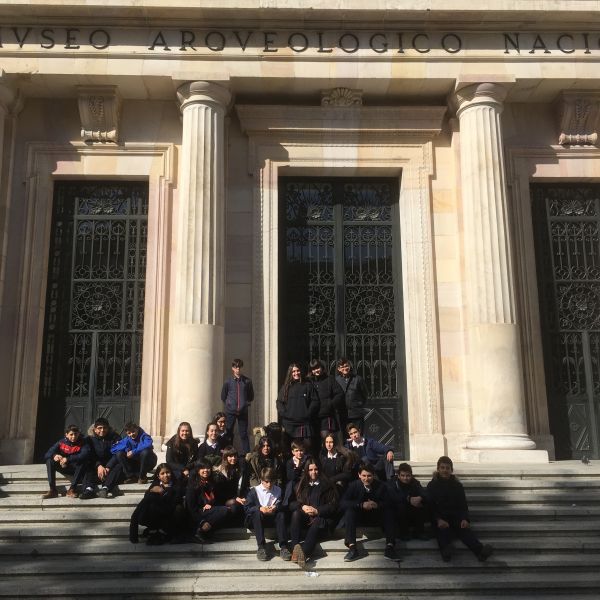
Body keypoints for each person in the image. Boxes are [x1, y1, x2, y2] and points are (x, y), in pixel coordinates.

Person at [426, 456, 493, 562]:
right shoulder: (431, 485)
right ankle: (446, 552)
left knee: (465, 531)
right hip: (440, 518)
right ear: (438, 469)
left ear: (451, 470)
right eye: (442, 468)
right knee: (443, 531)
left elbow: (463, 505)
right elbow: (430, 506)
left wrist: (465, 519)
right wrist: (438, 519)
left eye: (447, 468)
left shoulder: (457, 486)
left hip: (455, 518)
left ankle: (480, 552)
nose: (445, 470)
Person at [340, 463, 397, 562]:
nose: (366, 479)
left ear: (373, 475)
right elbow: (343, 503)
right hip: (359, 517)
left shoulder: (381, 486)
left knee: (389, 512)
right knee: (349, 512)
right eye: (364, 476)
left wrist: (377, 505)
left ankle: (390, 547)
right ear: (359, 475)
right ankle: (352, 548)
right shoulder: (353, 485)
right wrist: (361, 504)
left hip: (376, 516)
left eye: (369, 476)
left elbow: (390, 502)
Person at [288, 459, 338, 570]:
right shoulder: (300, 485)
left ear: (319, 470)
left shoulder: (327, 485)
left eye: (316, 469)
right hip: (306, 520)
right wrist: (302, 506)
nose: (313, 472)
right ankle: (295, 548)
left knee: (317, 522)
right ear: (306, 471)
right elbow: (291, 504)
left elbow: (333, 506)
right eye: (310, 470)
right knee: (296, 513)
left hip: (321, 520)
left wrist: (317, 511)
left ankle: (304, 553)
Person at [129, 463, 185, 545]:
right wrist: (151, 491)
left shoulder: (177, 484)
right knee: (148, 501)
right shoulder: (155, 484)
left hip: (170, 516)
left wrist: (163, 492)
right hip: (154, 515)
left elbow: (174, 502)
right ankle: (147, 532)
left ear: (171, 473)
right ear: (158, 476)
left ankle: (164, 532)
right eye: (162, 473)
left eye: (167, 472)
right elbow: (146, 499)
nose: (165, 475)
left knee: (178, 508)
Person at [244, 467, 290, 561]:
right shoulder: (254, 491)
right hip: (256, 519)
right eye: (266, 482)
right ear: (261, 480)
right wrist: (260, 508)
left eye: (272, 481)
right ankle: (261, 547)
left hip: (272, 518)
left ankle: (284, 547)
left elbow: (284, 505)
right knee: (256, 512)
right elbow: (247, 508)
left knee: (281, 514)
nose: (269, 484)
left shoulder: (278, 490)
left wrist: (276, 507)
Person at [385, 462, 429, 559]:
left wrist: (420, 497)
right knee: (399, 506)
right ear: (398, 475)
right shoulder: (392, 483)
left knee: (422, 504)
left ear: (411, 475)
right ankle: (403, 532)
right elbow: (393, 496)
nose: (405, 478)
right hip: (397, 512)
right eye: (403, 475)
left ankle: (419, 531)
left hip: (411, 510)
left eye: (408, 476)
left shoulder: (415, 482)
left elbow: (424, 493)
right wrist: (409, 499)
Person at [277, 362, 319, 453]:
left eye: (298, 370)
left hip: (304, 423)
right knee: (289, 450)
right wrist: (285, 413)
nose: (296, 373)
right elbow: (279, 402)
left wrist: (308, 413)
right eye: (293, 371)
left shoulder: (308, 385)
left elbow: (315, 401)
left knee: (307, 447)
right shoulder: (285, 387)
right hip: (289, 424)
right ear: (290, 373)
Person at [186, 460, 230, 542]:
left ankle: (205, 532)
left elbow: (219, 498)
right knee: (224, 510)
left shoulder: (212, 483)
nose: (206, 470)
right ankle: (200, 531)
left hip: (210, 511)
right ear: (198, 470)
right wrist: (202, 522)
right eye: (202, 468)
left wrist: (211, 505)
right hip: (198, 513)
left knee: (231, 510)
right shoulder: (193, 485)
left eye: (208, 468)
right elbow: (191, 508)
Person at [42, 424, 89, 499]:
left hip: (76, 468)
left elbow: (84, 455)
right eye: (71, 434)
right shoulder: (61, 442)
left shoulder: (83, 442)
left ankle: (72, 489)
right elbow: (47, 454)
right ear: (66, 435)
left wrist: (68, 459)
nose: (74, 436)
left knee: (83, 462)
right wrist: (54, 455)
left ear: (78, 434)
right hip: (63, 466)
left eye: (76, 434)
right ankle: (53, 490)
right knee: (49, 461)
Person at [80, 418, 121, 500]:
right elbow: (90, 454)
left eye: (105, 428)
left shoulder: (115, 437)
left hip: (110, 465)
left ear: (108, 428)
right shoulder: (89, 439)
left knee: (119, 465)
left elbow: (117, 453)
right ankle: (88, 489)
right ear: (95, 429)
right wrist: (98, 465)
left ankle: (105, 489)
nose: (102, 430)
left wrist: (108, 466)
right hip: (95, 465)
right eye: (99, 428)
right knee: (87, 465)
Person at [221, 358, 254, 454]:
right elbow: (223, 396)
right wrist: (229, 404)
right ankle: (228, 453)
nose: (238, 369)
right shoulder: (228, 381)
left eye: (239, 367)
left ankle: (247, 454)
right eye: (236, 367)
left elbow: (251, 396)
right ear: (233, 368)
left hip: (243, 412)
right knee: (229, 433)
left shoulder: (247, 381)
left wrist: (245, 403)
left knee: (243, 433)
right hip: (230, 412)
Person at [306, 359, 344, 442]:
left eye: (318, 368)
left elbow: (339, 394)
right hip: (313, 416)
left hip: (327, 416)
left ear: (322, 367)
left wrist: (330, 404)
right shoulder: (309, 381)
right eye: (313, 369)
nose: (316, 370)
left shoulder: (330, 379)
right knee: (314, 441)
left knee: (326, 438)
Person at [214, 446, 247, 524]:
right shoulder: (220, 472)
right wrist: (235, 498)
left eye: (235, 456)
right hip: (223, 499)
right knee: (235, 506)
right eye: (230, 456)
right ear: (226, 457)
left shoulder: (238, 469)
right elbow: (220, 492)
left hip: (236, 497)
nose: (233, 458)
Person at [335, 357, 368, 433]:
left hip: (356, 414)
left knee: (358, 435)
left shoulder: (358, 379)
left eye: (346, 366)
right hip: (343, 414)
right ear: (339, 369)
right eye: (342, 367)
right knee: (345, 436)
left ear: (349, 366)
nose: (345, 368)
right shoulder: (336, 380)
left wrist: (358, 404)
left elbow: (365, 394)